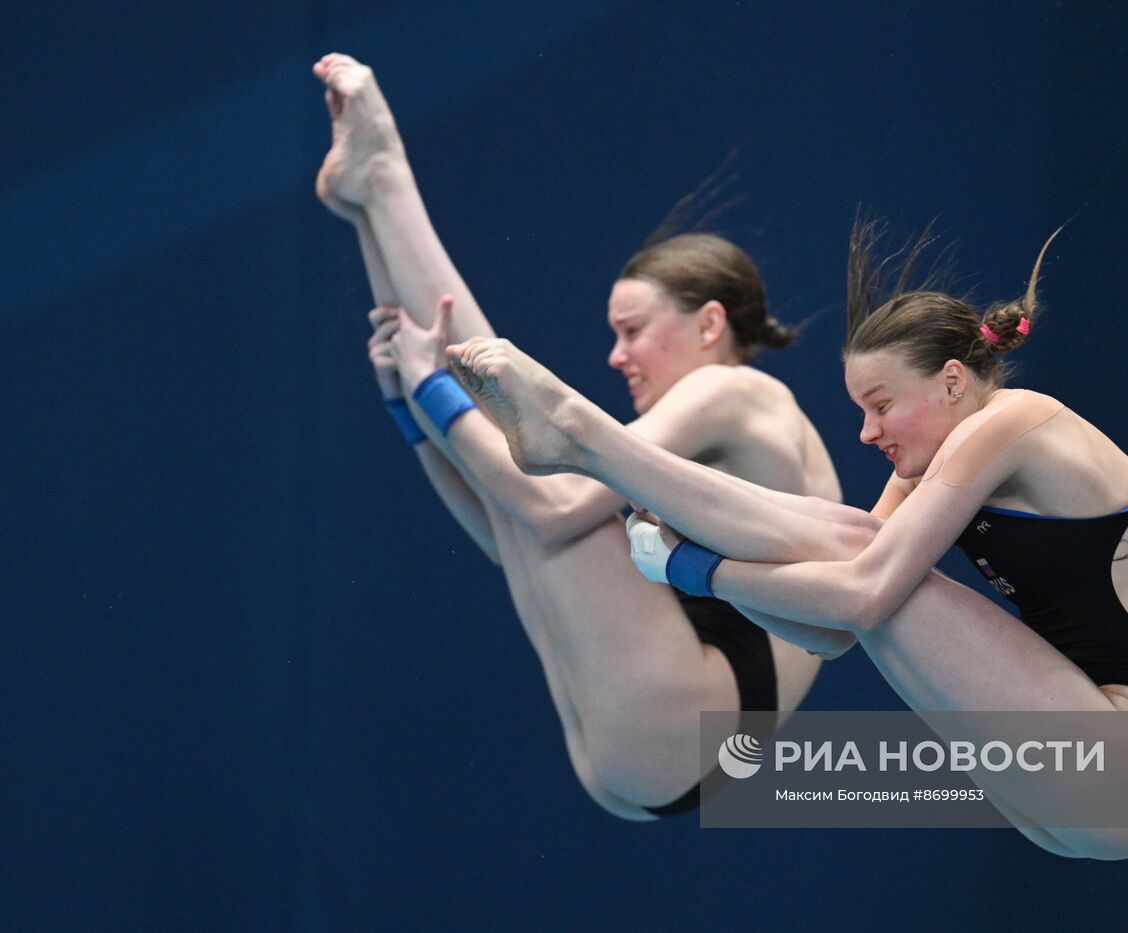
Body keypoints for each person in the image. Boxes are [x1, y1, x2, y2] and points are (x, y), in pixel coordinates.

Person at [447, 221, 1128, 858]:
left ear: (949, 381)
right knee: (855, 549)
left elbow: (866, 594)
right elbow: (831, 632)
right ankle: (591, 447)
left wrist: (695, 567)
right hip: (1072, 792)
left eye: (880, 406)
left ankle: (590, 441)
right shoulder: (929, 463)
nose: (867, 433)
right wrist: (695, 565)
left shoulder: (1013, 419)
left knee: (862, 561)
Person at [312, 53, 849, 820]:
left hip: (699, 712)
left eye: (632, 331)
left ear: (708, 324)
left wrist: (436, 387)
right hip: (664, 745)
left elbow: (551, 510)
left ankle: (386, 181)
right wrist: (416, 412)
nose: (616, 355)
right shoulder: (690, 426)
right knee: (527, 491)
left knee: (542, 470)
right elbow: (510, 533)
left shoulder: (740, 392)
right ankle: (369, 204)